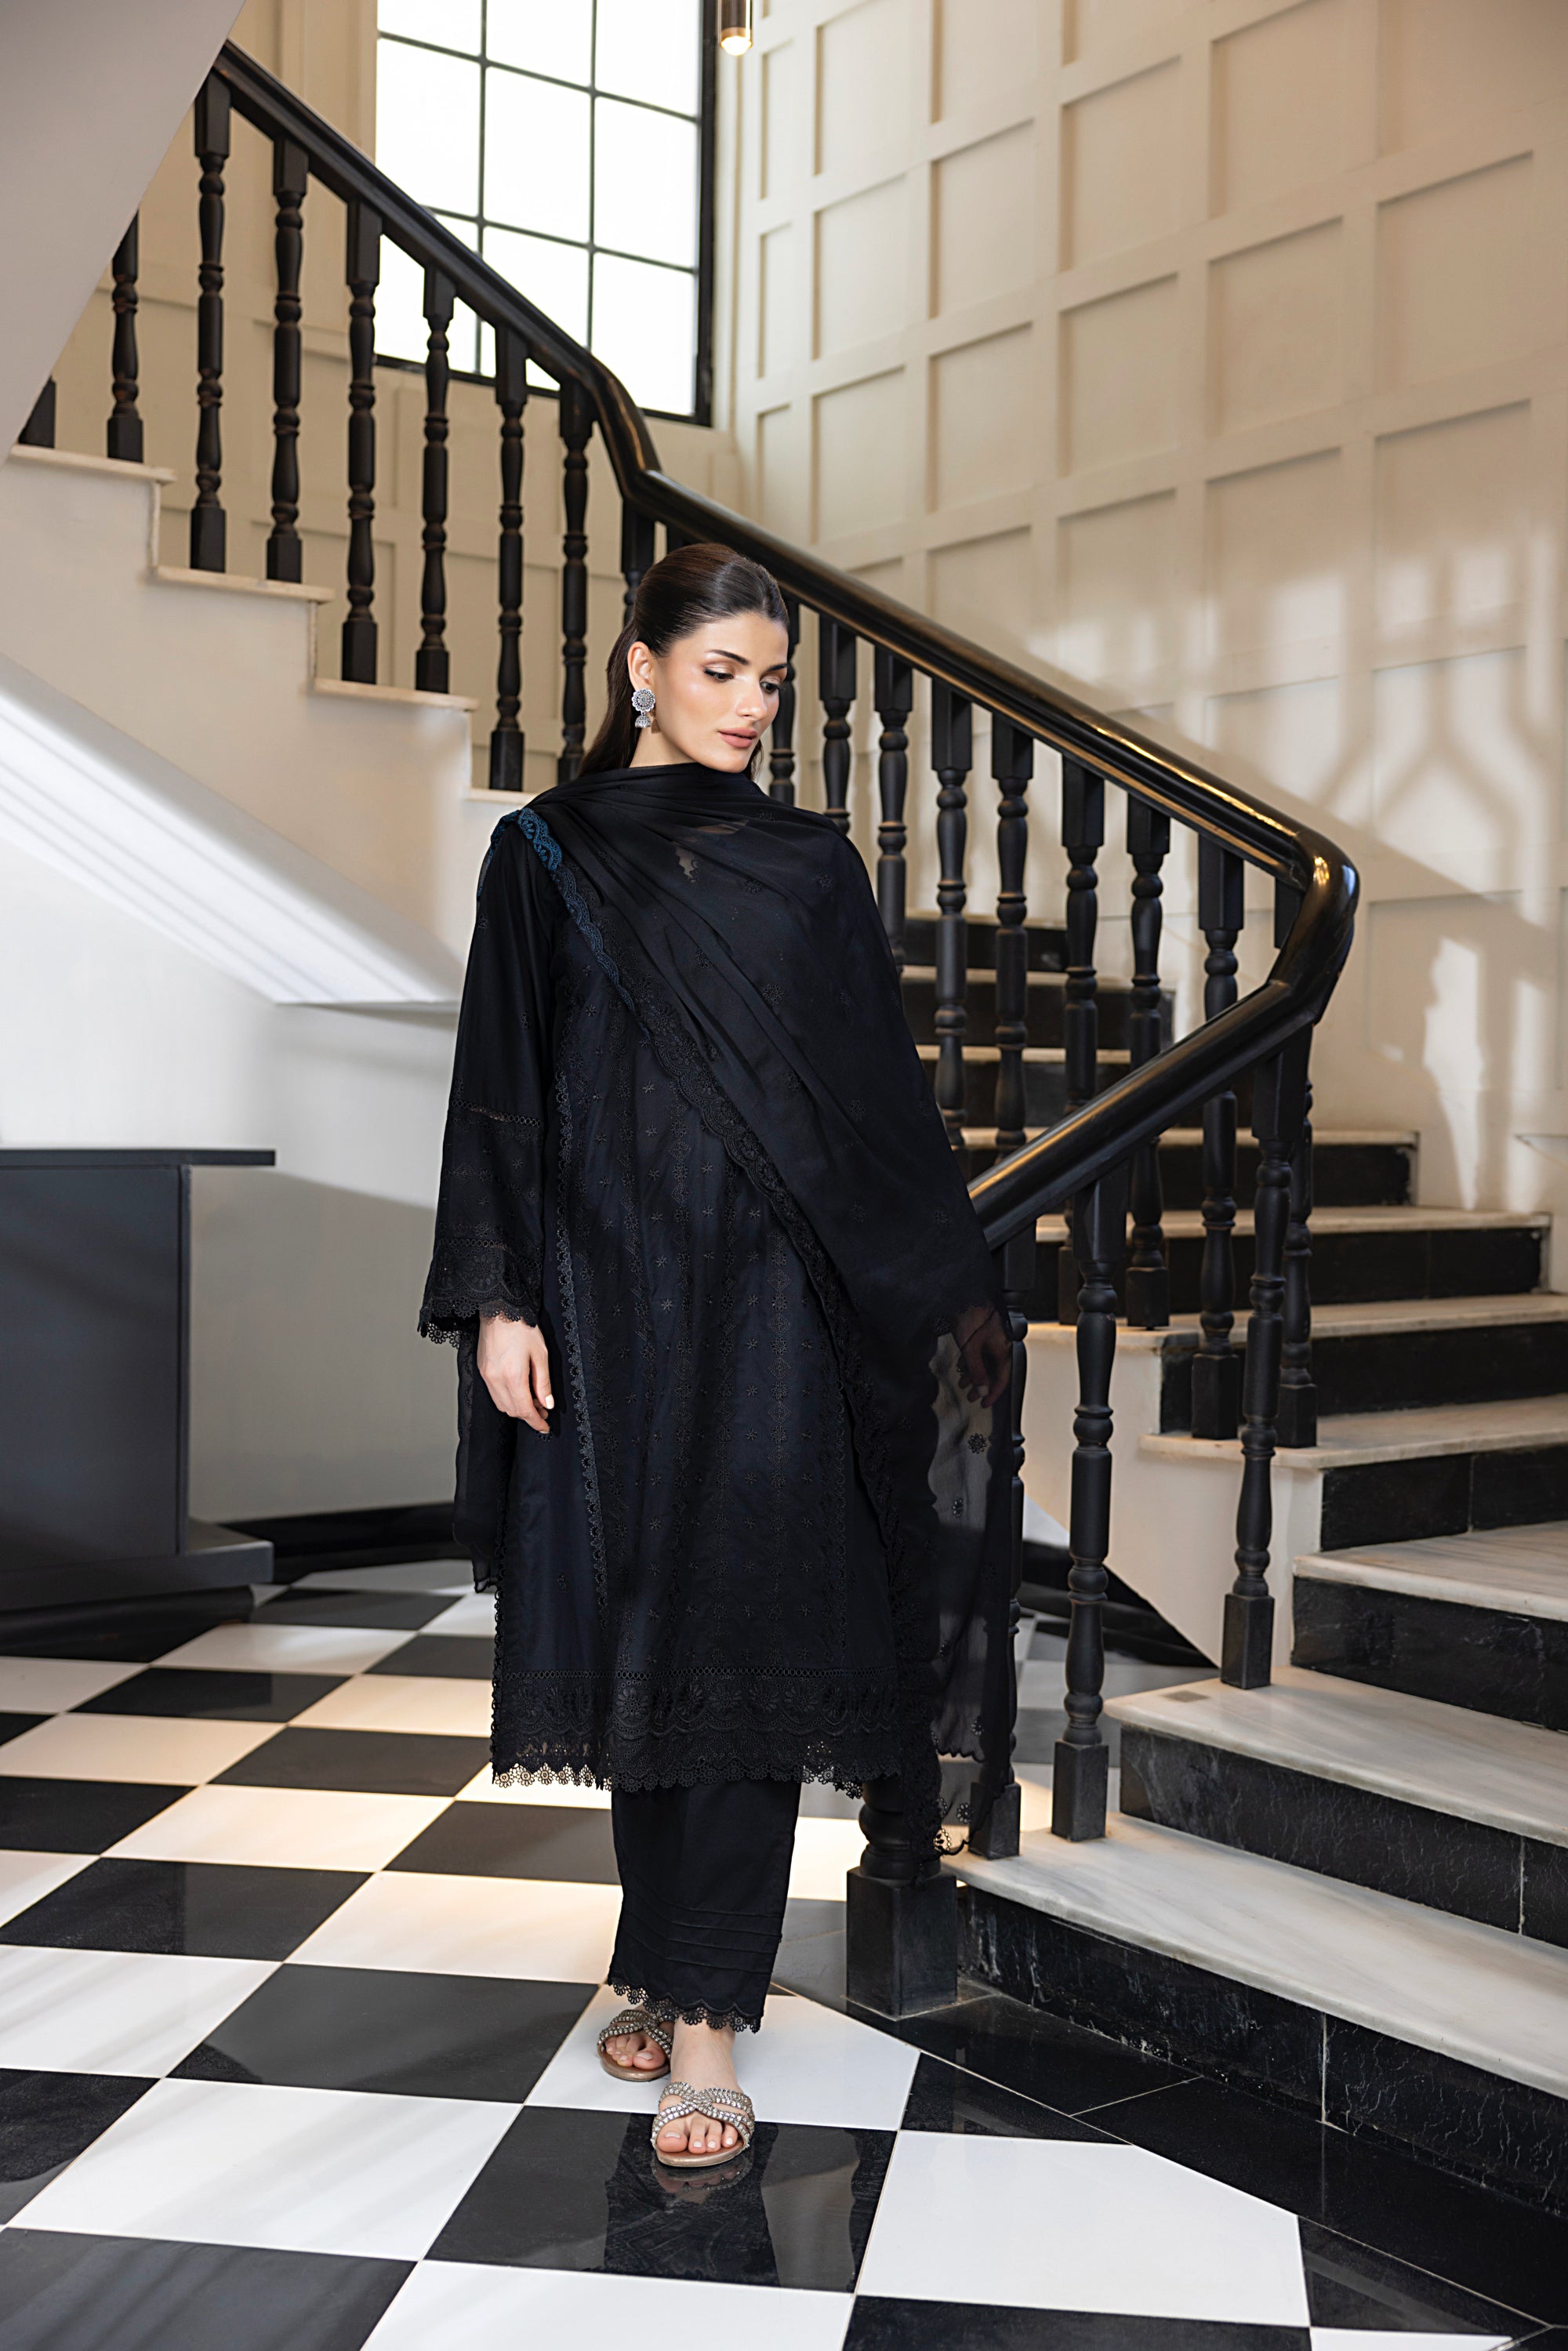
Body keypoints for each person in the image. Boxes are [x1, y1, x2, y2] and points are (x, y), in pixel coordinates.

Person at [420, 542, 1013, 2170]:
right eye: (720, 672)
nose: (751, 706)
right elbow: (500, 1086)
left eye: (770, 682)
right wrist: (500, 1298)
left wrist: (935, 1287)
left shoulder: (808, 866)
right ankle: (657, 1947)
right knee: (645, 1639)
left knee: (741, 1644)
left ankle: (707, 2024)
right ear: (643, 667)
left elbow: (863, 1098)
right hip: (605, 1300)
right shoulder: (544, 854)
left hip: (774, 1309)